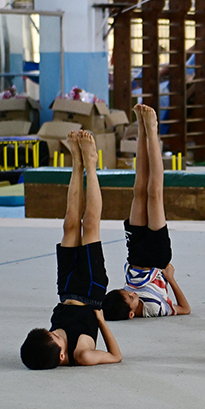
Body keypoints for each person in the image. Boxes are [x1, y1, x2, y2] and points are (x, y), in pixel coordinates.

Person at [20, 130, 122, 369]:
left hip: (65, 291)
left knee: (69, 224)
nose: (54, 331)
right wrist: (102, 321)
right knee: (91, 226)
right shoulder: (82, 355)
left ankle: (76, 164)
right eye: (54, 336)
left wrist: (53, 334)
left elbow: (51, 335)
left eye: (49, 331)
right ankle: (91, 164)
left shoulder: (50, 343)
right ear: (62, 356)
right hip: (90, 291)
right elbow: (116, 356)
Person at [102, 104, 191, 320]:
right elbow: (185, 309)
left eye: (126, 292)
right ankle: (152, 130)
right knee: (154, 193)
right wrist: (170, 279)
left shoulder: (122, 302)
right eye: (131, 297)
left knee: (138, 191)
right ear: (132, 313)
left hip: (135, 255)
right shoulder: (154, 309)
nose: (132, 293)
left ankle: (141, 132)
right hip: (157, 257)